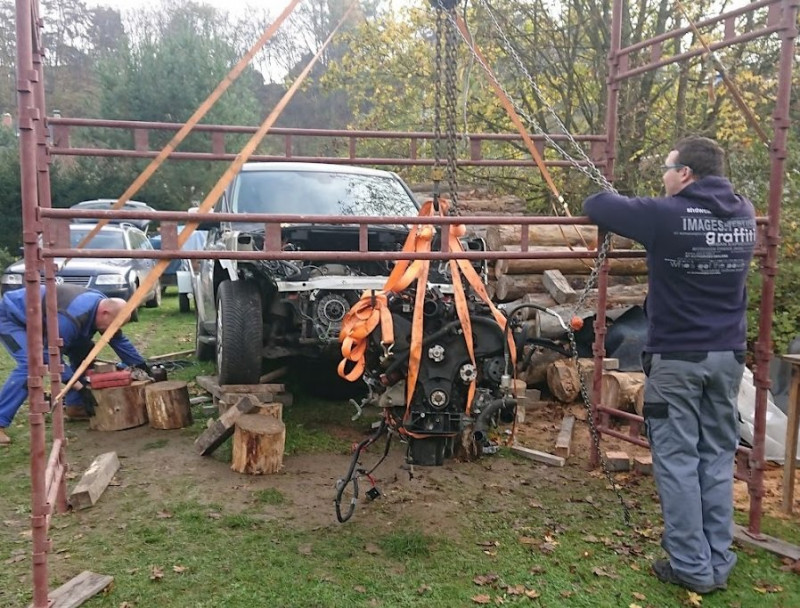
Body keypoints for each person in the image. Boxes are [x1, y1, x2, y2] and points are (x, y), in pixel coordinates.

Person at [583, 136, 756, 595]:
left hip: (679, 357)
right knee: (716, 458)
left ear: (685, 174)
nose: (663, 176)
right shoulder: (745, 214)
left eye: (667, 167)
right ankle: (718, 560)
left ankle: (691, 567)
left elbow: (597, 203)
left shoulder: (666, 214)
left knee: (677, 461)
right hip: (728, 356)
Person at [0, 285, 149, 445]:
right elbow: (50, 356)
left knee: (84, 348)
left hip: (45, 319)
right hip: (13, 318)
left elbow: (117, 339)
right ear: (104, 313)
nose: (114, 329)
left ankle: (75, 407)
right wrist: (80, 387)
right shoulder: (71, 318)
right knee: (31, 364)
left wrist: (141, 365)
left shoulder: (102, 306)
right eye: (114, 325)